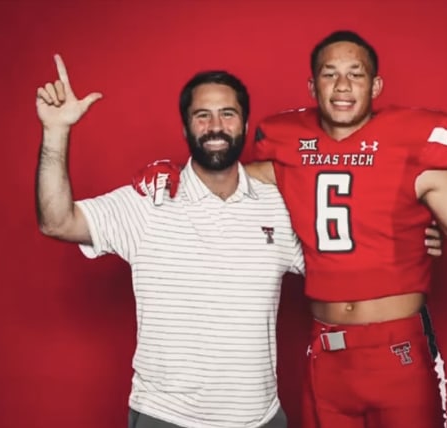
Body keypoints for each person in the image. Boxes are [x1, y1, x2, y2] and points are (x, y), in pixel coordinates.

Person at [132, 30, 447, 428]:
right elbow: (219, 175)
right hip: (326, 356)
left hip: (397, 354)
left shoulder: (416, 152)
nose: (342, 85)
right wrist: (175, 170)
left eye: (356, 73)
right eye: (330, 74)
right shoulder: (290, 149)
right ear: (312, 86)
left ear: (376, 85)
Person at [35, 56, 303, 428]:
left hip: (259, 417)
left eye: (227, 114)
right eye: (202, 115)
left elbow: (344, 266)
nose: (215, 126)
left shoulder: (279, 206)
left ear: (244, 124)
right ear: (185, 128)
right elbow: (58, 222)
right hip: (167, 417)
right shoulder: (149, 199)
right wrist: (55, 132)